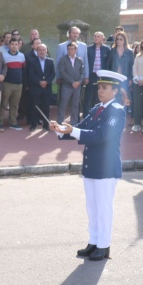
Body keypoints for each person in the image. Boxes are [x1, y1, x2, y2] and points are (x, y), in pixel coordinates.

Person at [50, 70, 127, 261]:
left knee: (103, 208)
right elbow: (81, 128)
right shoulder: (97, 108)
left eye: (105, 88)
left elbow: (102, 136)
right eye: (99, 87)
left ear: (115, 91)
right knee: (92, 207)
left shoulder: (116, 111)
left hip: (106, 168)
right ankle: (94, 242)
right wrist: (60, 130)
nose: (100, 91)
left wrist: (73, 130)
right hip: (92, 166)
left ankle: (104, 246)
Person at [27, 43, 56, 131]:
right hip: (36, 88)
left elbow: (52, 74)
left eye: (44, 50)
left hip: (46, 88)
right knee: (35, 107)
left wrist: (46, 82)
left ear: (46, 51)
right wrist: (39, 82)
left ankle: (46, 125)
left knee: (46, 107)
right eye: (40, 50)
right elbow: (31, 74)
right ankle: (33, 124)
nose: (42, 52)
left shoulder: (50, 61)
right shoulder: (32, 61)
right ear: (37, 51)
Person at [57, 42, 86, 126]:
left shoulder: (79, 60)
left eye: (72, 49)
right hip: (67, 85)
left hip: (77, 86)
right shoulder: (63, 59)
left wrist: (80, 81)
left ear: (76, 50)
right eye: (69, 49)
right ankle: (60, 122)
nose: (70, 51)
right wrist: (72, 82)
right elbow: (62, 72)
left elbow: (82, 72)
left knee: (75, 105)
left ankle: (74, 123)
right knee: (63, 103)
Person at [84, 32, 113, 113]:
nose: (96, 38)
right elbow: (85, 63)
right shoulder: (88, 49)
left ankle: (96, 115)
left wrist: (106, 76)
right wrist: (86, 76)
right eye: (95, 36)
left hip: (101, 76)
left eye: (98, 37)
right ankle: (86, 116)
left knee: (98, 97)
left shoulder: (106, 49)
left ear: (102, 38)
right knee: (88, 97)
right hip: (91, 75)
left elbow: (108, 63)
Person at [0, 37, 25, 130]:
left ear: (18, 45)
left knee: (14, 104)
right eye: (12, 44)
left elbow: (23, 69)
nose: (14, 46)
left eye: (16, 44)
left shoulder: (22, 56)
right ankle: (0, 121)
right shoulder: (4, 56)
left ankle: (13, 122)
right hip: (7, 84)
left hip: (18, 84)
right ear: (9, 45)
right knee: (3, 103)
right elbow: (2, 69)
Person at [110, 31, 133, 104]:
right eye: (117, 39)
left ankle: (123, 114)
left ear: (124, 41)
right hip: (114, 77)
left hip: (124, 78)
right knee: (114, 96)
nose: (118, 41)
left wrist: (130, 79)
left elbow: (131, 66)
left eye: (121, 39)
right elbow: (109, 65)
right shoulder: (112, 51)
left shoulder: (129, 52)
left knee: (124, 96)